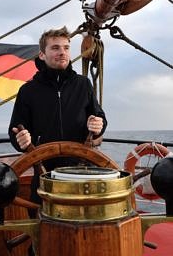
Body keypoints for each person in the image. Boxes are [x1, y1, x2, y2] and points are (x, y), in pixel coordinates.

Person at [8, 26, 107, 201]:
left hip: (81, 171)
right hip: (44, 172)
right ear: (42, 55)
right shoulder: (28, 90)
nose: (62, 52)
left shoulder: (83, 84)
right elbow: (16, 129)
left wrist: (98, 124)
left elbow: (99, 117)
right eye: (55, 48)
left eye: (66, 48)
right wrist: (21, 140)